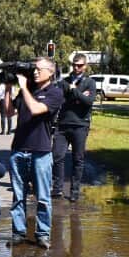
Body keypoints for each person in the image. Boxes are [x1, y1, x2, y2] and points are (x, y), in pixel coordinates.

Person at [3, 58, 64, 249]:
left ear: (50, 72)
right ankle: (18, 233)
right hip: (19, 149)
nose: (35, 72)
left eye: (39, 69)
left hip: (41, 151)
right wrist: (7, 88)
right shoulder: (26, 89)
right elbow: (8, 112)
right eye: (34, 69)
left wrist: (24, 87)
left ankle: (42, 234)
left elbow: (36, 109)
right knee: (18, 195)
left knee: (43, 197)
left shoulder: (55, 92)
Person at [52, 53, 97, 202]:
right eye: (74, 65)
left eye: (79, 65)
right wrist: (78, 95)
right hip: (63, 124)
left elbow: (88, 101)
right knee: (57, 156)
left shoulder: (90, 82)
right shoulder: (64, 81)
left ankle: (74, 190)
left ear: (85, 66)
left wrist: (74, 92)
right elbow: (61, 99)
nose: (76, 68)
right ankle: (57, 188)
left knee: (78, 158)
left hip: (80, 125)